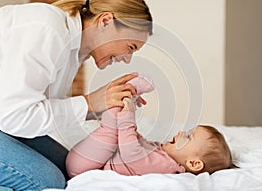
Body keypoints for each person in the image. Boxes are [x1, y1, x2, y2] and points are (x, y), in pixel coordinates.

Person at [0, 0, 152, 190]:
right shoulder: (47, 29)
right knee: (45, 182)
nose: (127, 59)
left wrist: (100, 108)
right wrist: (88, 102)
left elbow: (39, 110)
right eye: (130, 47)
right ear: (106, 21)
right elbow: (16, 118)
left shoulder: (74, 51)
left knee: (67, 169)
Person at [66, 74, 232, 177]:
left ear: (194, 163)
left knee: (111, 131)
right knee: (117, 130)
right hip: (91, 160)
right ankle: (127, 96)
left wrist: (128, 116)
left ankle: (126, 94)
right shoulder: (162, 153)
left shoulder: (165, 166)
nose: (181, 132)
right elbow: (134, 139)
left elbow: (131, 153)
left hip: (83, 166)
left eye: (188, 136)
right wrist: (129, 115)